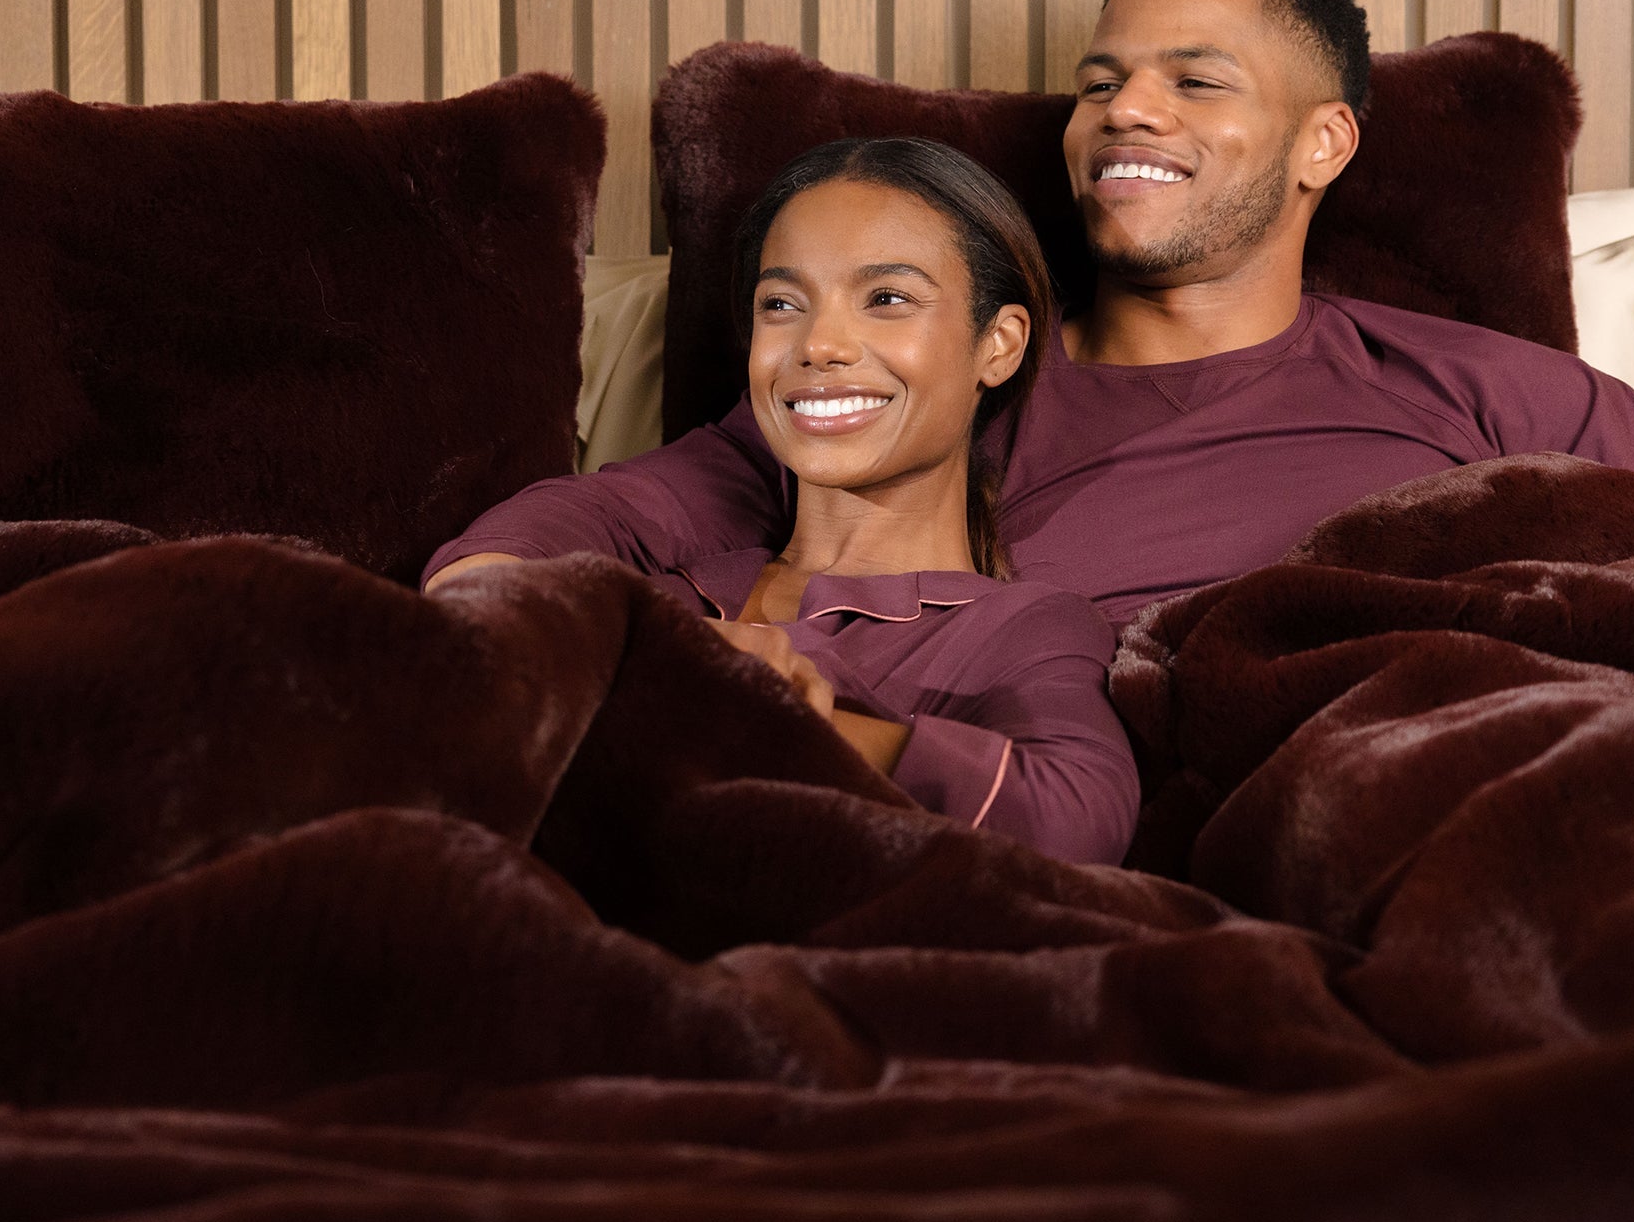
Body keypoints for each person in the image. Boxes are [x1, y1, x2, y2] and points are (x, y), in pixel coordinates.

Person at [435, 0, 1634, 629]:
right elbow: (610, 512)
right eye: (1101, 83)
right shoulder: (929, 373)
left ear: (1321, 141)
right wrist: (484, 606)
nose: (1125, 114)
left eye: (1195, 81)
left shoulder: (1475, 389)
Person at [425, 139, 1141, 866]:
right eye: (782, 304)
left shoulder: (1024, 626)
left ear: (1000, 343)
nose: (819, 343)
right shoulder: (660, 593)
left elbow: (1078, 818)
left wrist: (787, 717)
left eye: (887, 298)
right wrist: (494, 617)